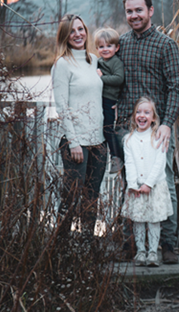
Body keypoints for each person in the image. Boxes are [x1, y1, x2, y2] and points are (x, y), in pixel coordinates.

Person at [116, 0, 179, 264]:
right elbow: (113, 80)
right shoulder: (121, 43)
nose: (134, 15)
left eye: (138, 10)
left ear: (150, 11)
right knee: (128, 182)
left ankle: (168, 244)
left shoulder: (165, 45)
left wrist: (167, 124)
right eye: (129, 11)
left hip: (158, 131)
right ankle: (129, 243)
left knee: (163, 183)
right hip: (129, 131)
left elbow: (176, 88)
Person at [51, 14, 108, 242]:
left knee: (92, 196)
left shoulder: (93, 60)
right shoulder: (62, 64)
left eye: (81, 29)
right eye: (72, 31)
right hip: (76, 144)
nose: (78, 34)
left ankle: (87, 244)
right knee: (71, 196)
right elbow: (61, 106)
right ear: (65, 35)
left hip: (99, 141)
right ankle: (60, 243)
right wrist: (74, 142)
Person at [121, 97, 174, 267]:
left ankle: (152, 252)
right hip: (136, 187)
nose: (142, 116)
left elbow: (160, 164)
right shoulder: (129, 140)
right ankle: (140, 252)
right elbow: (129, 164)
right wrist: (133, 185)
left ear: (153, 118)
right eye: (138, 112)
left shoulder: (158, 137)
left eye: (146, 112)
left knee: (153, 220)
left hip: (154, 187)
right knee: (137, 219)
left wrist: (149, 184)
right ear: (134, 116)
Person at [95, 27, 125, 173]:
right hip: (99, 99)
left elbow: (119, 79)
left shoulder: (115, 62)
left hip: (109, 99)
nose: (105, 49)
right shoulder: (98, 62)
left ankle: (117, 157)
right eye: (101, 46)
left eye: (109, 46)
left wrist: (101, 78)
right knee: (100, 128)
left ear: (116, 47)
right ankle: (104, 156)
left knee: (108, 128)